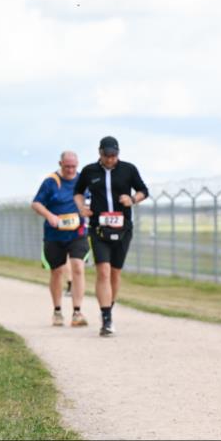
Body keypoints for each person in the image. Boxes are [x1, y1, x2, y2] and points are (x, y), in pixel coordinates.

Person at [74, 136, 149, 336]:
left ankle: (109, 307)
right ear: (100, 153)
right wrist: (81, 207)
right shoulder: (90, 171)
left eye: (114, 155)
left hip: (123, 228)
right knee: (104, 271)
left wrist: (132, 199)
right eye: (107, 156)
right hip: (99, 228)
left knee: (115, 272)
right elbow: (78, 192)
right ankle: (106, 318)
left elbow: (144, 191)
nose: (110, 160)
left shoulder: (128, 169)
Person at [31, 151, 90, 327]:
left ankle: (77, 312)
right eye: (67, 166)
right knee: (56, 272)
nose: (71, 170)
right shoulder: (51, 181)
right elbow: (36, 203)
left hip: (77, 232)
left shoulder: (83, 182)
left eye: (74, 166)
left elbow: (90, 202)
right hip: (54, 234)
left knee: (78, 267)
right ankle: (57, 311)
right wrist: (49, 215)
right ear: (60, 164)